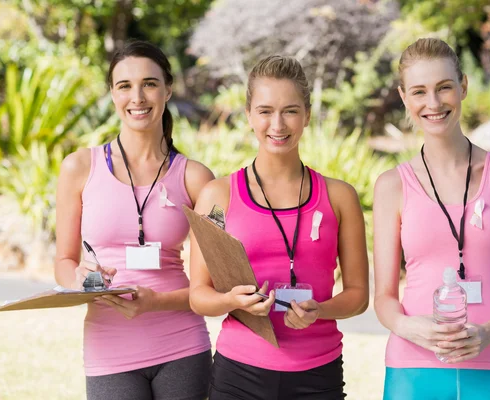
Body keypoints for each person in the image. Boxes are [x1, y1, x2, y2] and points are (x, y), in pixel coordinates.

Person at [373, 38, 490, 400]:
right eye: (419, 91)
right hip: (413, 370)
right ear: (404, 97)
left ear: (464, 86)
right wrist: (409, 328)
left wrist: (488, 333)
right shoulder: (392, 185)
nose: (433, 103)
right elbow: (383, 297)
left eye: (444, 87)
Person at [188, 55, 369, 400]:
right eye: (265, 111)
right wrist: (230, 300)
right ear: (248, 115)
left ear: (307, 115)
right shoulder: (217, 196)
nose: (278, 124)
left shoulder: (340, 196)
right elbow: (199, 295)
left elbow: (359, 296)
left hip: (318, 376)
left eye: (290, 110)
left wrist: (321, 310)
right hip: (238, 375)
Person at [54, 40, 214, 400]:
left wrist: (156, 301)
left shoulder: (198, 178)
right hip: (109, 348)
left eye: (150, 84)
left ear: (168, 89)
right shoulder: (78, 168)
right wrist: (79, 278)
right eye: (124, 86)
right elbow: (64, 262)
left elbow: (214, 282)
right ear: (113, 94)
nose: (137, 97)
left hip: (183, 346)